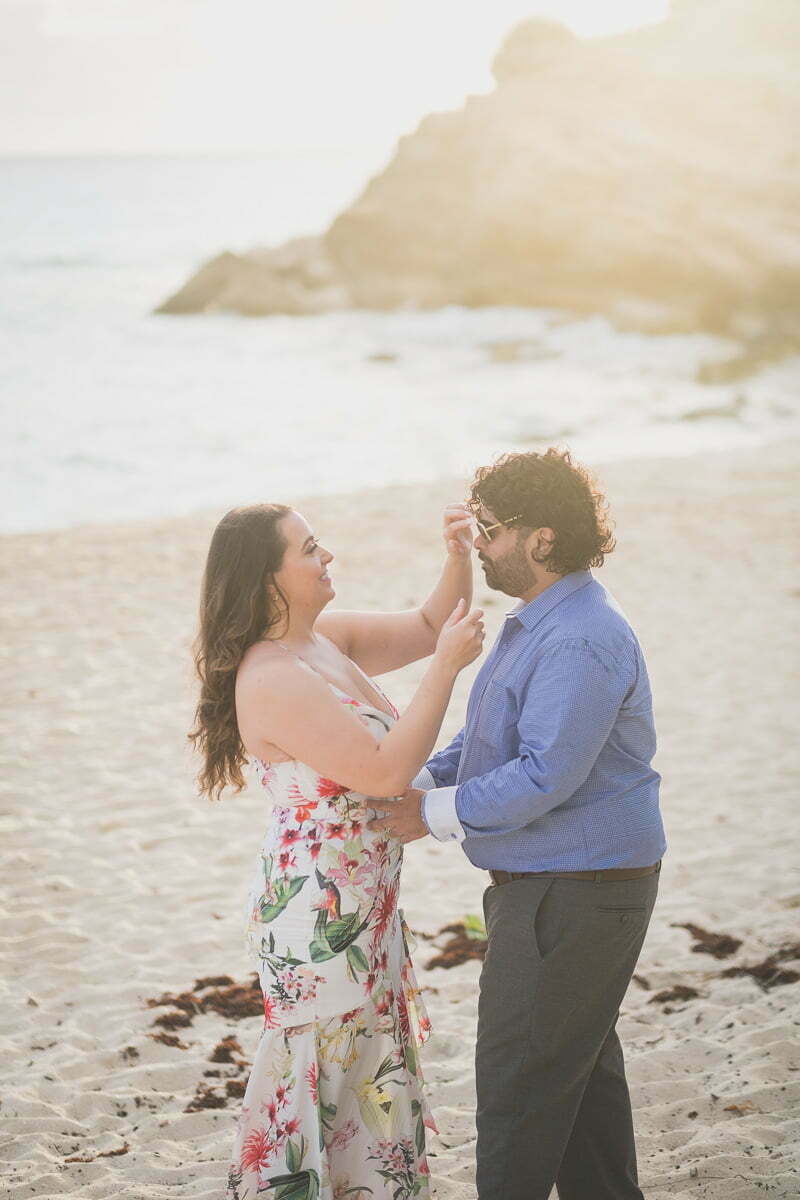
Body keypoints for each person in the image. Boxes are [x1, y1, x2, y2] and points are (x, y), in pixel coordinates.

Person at [371, 449, 667, 1200]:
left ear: (541, 539)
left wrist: (429, 815)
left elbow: (544, 774)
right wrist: (422, 776)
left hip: (576, 890)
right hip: (561, 884)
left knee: (519, 1090)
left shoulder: (578, 637)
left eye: (491, 529)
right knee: (579, 1087)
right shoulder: (537, 621)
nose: (479, 542)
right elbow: (488, 737)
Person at [188, 501, 484, 1200]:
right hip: (318, 919)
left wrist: (457, 554)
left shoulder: (324, 641)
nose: (328, 559)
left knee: (369, 1082)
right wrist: (443, 673)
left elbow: (428, 626)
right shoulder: (269, 675)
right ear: (269, 579)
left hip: (366, 911)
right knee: (321, 1089)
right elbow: (383, 773)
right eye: (311, 550)